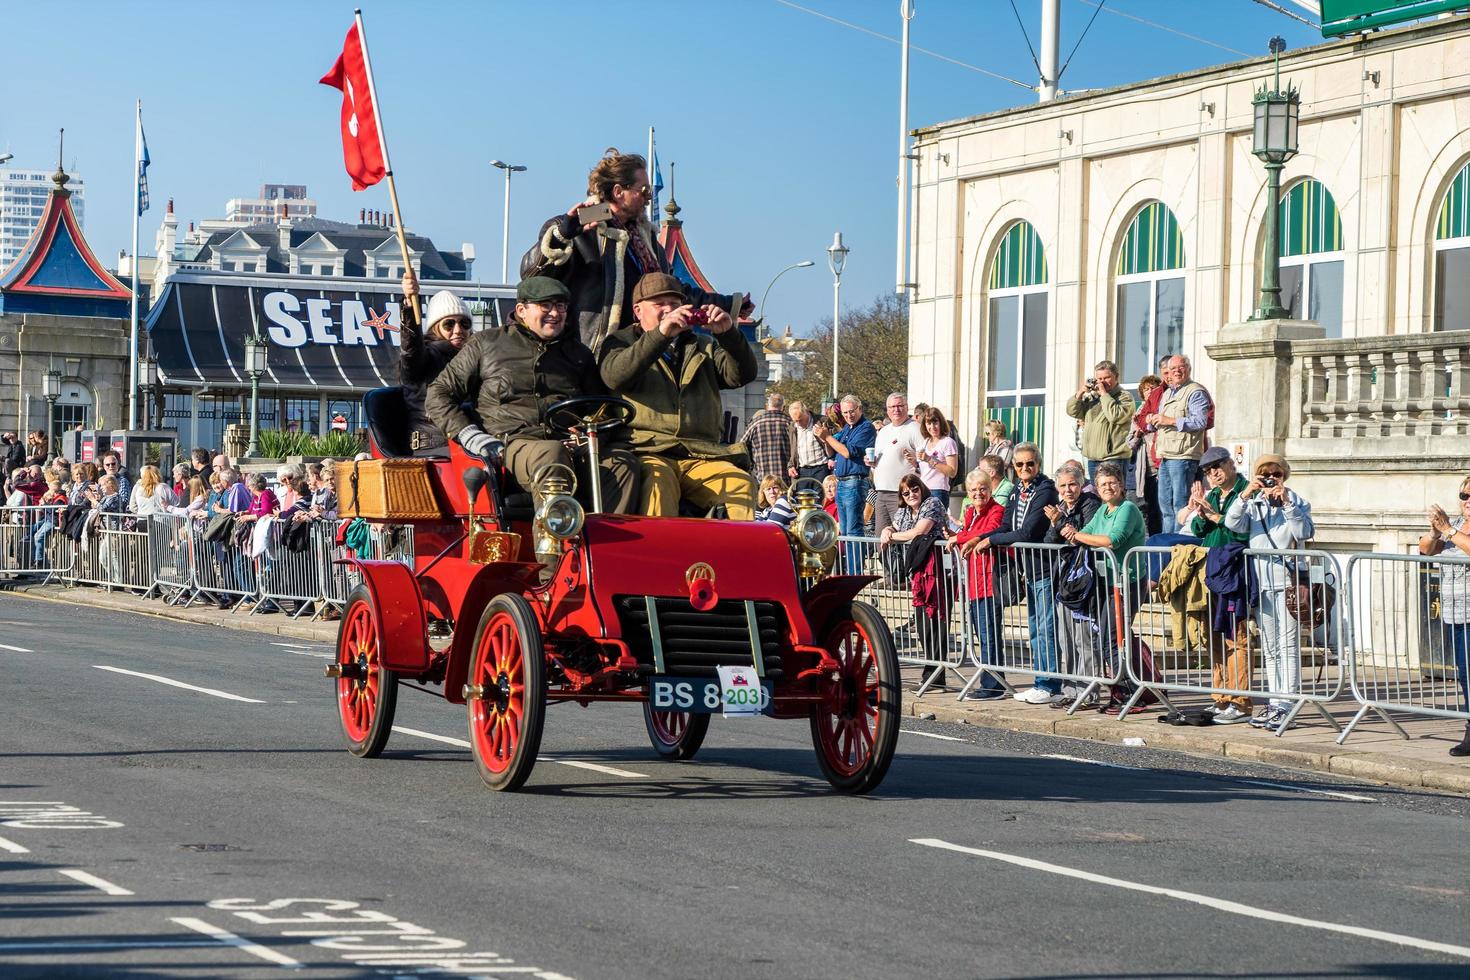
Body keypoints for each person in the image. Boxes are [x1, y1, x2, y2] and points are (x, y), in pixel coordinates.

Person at [429, 276, 639, 515]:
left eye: (560, 306)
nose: (555, 313)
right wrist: (470, 435)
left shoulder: (579, 354)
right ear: (521, 310)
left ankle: (606, 548)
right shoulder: (486, 344)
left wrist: (591, 435)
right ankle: (554, 547)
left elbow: (598, 408)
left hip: (568, 445)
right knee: (551, 453)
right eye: (545, 305)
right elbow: (438, 395)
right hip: (509, 446)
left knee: (623, 464)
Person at [521, 148, 751, 354]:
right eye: (644, 191)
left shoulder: (646, 240)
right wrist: (562, 235)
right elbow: (531, 276)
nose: (649, 199)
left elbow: (673, 289)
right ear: (619, 191)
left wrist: (729, 304)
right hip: (591, 352)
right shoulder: (580, 227)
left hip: (640, 350)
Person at [598, 272, 756, 518]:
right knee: (657, 485)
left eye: (674, 304)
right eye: (659, 304)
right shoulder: (620, 342)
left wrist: (728, 334)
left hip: (701, 453)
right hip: (649, 450)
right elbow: (616, 376)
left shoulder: (703, 344)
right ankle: (659, 555)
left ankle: (732, 556)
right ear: (638, 311)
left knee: (740, 484)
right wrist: (660, 335)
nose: (669, 310)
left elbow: (741, 375)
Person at [1224, 453, 1315, 733]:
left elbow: (1304, 532)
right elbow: (1232, 523)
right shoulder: (1255, 504)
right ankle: (1275, 702)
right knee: (1271, 647)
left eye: (1276, 474)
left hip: (1287, 582)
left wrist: (1287, 504)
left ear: (1284, 476)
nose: (1270, 479)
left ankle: (1287, 705)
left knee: (1288, 647)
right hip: (1261, 583)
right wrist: (1246, 493)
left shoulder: (1297, 501)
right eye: (1265, 474)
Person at [1065, 461, 1148, 713]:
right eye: (1102, 484)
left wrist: (1077, 535)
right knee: (1108, 636)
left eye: (1112, 482)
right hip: (1108, 583)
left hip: (1128, 582)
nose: (1107, 487)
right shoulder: (1103, 511)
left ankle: (1127, 692)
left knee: (1113, 636)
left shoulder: (1128, 508)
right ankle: (1123, 689)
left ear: (1122, 485)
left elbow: (1112, 540)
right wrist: (1073, 531)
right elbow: (1087, 532)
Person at [984, 443, 1062, 704]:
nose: (1025, 468)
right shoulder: (1018, 490)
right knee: (1034, 627)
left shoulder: (1045, 490)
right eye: (1019, 465)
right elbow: (1006, 525)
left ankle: (1048, 684)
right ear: (1013, 467)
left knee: (1044, 627)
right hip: (1026, 568)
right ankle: (1041, 681)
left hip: (1044, 567)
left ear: (1038, 464)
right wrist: (980, 538)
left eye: (1030, 463)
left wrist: (992, 541)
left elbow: (1028, 532)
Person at [1187, 445, 1253, 724]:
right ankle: (1220, 697)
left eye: (1217, 467)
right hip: (1212, 570)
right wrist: (1202, 516)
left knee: (1235, 638)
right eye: (1207, 470)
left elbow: (1242, 530)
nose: (1213, 474)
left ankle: (1240, 701)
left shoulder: (1246, 491)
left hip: (1234, 572)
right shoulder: (1213, 494)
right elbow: (1198, 532)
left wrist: (1216, 517)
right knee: (1213, 637)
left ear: (1230, 464)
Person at [881, 473, 952, 690]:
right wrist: (887, 530)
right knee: (922, 625)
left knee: (936, 622)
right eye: (906, 492)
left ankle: (935, 676)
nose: (911, 494)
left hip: (939, 570)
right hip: (919, 573)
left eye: (914, 489)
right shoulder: (903, 510)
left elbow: (919, 532)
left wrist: (892, 537)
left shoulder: (932, 503)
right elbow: (895, 527)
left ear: (921, 488)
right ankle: (931, 674)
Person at [1043, 461, 1104, 706]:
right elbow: (1049, 541)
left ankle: (1088, 692)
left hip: (1086, 581)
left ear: (1081, 485)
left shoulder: (1090, 504)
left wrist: (1060, 523)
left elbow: (1081, 536)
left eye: (1073, 485)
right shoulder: (1059, 507)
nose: (1068, 490)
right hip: (1064, 580)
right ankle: (1070, 692)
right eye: (1063, 486)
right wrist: (1058, 524)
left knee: (1084, 639)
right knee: (1065, 639)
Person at [1422, 475, 1470, 757]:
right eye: (1464, 496)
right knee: (1465, 676)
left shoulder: (1456, 528)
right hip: (1456, 614)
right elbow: (1425, 549)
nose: (1468, 501)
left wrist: (1449, 529)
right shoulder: (1458, 525)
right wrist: (1435, 532)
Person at [398, 270, 471, 455]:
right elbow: (410, 349)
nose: (458, 329)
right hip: (435, 447)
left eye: (464, 324)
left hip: (470, 442)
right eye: (449, 324)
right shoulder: (424, 358)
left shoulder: (476, 357)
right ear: (435, 328)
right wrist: (409, 303)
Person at [953, 467, 1008, 700]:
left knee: (989, 636)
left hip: (988, 581)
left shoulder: (997, 509)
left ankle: (993, 685)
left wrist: (959, 537)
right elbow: (969, 533)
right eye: (974, 489)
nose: (978, 493)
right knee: (981, 634)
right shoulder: (969, 512)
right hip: (972, 582)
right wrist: (958, 535)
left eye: (983, 489)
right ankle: (989, 680)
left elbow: (990, 530)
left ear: (990, 489)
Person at [1146, 355, 1214, 535]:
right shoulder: (1168, 392)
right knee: (1165, 508)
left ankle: (1177, 546)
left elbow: (1200, 421)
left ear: (1188, 369)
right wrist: (1152, 421)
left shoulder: (1195, 392)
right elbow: (1160, 422)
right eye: (1172, 369)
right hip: (1166, 456)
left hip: (1184, 456)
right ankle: (1166, 548)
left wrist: (1168, 420)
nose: (1176, 371)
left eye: (1180, 367)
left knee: (1180, 506)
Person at [822, 395, 876, 571]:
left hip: (855, 482)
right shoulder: (846, 429)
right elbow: (831, 451)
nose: (849, 415)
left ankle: (855, 573)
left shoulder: (865, 428)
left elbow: (846, 452)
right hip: (842, 482)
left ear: (860, 409)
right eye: (845, 412)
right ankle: (850, 571)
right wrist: (825, 438)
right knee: (844, 531)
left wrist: (828, 438)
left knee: (853, 531)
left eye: (852, 411)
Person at [1067, 360, 1136, 484]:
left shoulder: (1125, 397)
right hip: (1093, 458)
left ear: (1116, 377)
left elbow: (1116, 415)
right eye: (1099, 378)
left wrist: (1104, 394)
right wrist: (1081, 392)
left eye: (1107, 377)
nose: (1102, 382)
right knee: (1097, 497)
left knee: (1112, 496)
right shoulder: (1093, 398)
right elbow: (1072, 411)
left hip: (1114, 458)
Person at [868, 393, 925, 536]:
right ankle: (884, 559)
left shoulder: (915, 428)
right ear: (887, 410)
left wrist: (915, 461)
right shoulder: (883, 431)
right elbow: (880, 459)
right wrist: (871, 462)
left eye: (900, 406)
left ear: (906, 407)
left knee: (900, 536)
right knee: (881, 539)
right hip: (881, 492)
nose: (896, 410)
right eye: (892, 407)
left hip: (901, 493)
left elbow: (924, 460)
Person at [1131, 373, 1164, 534]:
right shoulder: (1138, 414)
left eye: (1153, 388)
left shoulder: (1162, 409)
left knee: (1160, 509)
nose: (1149, 391)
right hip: (1145, 471)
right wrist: (1137, 434)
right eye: (1146, 389)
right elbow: (1129, 444)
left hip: (1160, 467)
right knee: (1148, 509)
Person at [740, 392, 796, 486]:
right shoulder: (790, 423)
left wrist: (749, 467)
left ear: (767, 406)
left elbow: (742, 446)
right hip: (786, 478)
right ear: (783, 407)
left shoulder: (755, 423)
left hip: (762, 478)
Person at [916, 406, 960, 503]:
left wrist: (929, 459)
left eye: (935, 423)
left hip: (938, 491)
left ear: (941, 423)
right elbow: (925, 471)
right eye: (929, 423)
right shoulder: (926, 442)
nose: (932, 427)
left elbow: (952, 472)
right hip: (923, 490)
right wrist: (913, 461)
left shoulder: (948, 442)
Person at [788, 400, 831, 485]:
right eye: (795, 420)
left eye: (800, 419)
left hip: (821, 468)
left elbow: (834, 442)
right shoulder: (792, 427)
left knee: (820, 496)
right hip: (802, 470)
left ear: (806, 412)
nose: (798, 423)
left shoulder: (822, 422)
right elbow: (791, 450)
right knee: (803, 497)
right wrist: (791, 465)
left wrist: (832, 459)